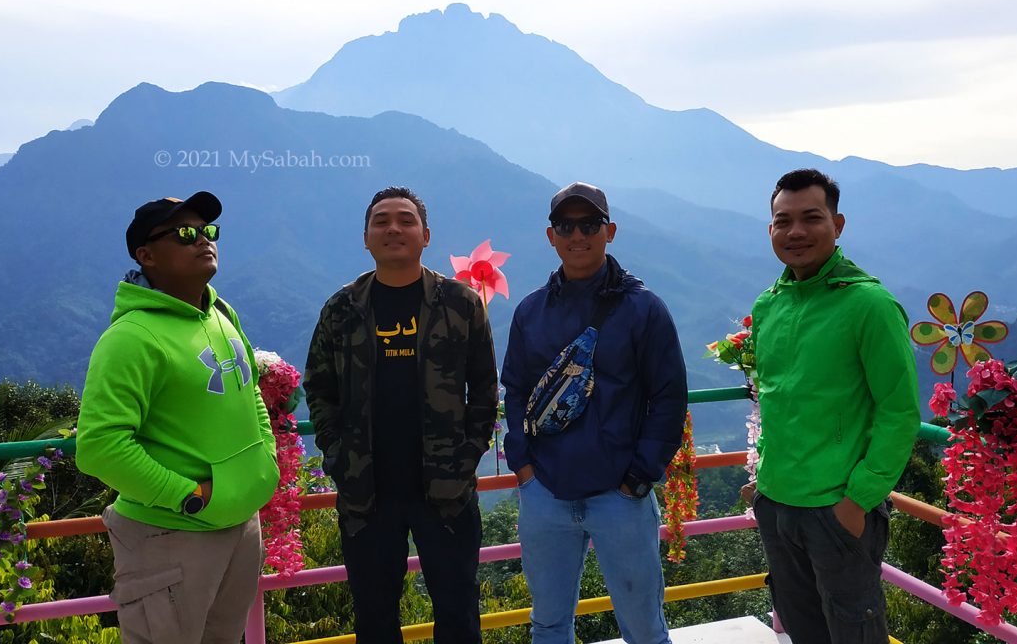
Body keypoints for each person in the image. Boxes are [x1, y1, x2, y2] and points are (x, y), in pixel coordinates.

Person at [78, 191, 280, 644]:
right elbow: (99, 446)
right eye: (184, 233)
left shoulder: (221, 313)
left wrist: (264, 465)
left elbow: (251, 398)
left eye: (208, 231)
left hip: (239, 524)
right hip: (169, 534)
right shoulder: (131, 338)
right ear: (146, 255)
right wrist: (188, 496)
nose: (202, 240)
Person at [304, 186, 498, 644]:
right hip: (366, 493)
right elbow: (318, 386)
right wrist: (336, 454)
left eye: (406, 220)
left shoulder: (460, 303)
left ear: (425, 235)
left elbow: (485, 388)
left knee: (457, 612)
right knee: (373, 617)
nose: (394, 228)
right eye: (382, 221)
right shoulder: (342, 308)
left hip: (446, 490)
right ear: (366, 237)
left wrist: (468, 456)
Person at [502, 182, 688, 644]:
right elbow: (516, 391)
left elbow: (669, 397)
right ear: (551, 236)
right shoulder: (530, 312)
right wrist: (524, 468)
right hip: (545, 492)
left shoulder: (644, 309)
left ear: (611, 231)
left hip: (620, 496)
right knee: (547, 624)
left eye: (590, 224)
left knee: (644, 628)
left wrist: (639, 478)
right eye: (567, 225)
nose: (578, 235)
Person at [744, 169, 920, 644]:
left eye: (811, 218)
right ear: (771, 230)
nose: (796, 231)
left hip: (837, 507)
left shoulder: (870, 305)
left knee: (854, 628)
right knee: (801, 625)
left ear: (838, 225)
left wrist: (858, 499)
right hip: (778, 503)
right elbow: (778, 400)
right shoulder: (769, 306)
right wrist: (763, 482)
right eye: (784, 221)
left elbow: (899, 413)